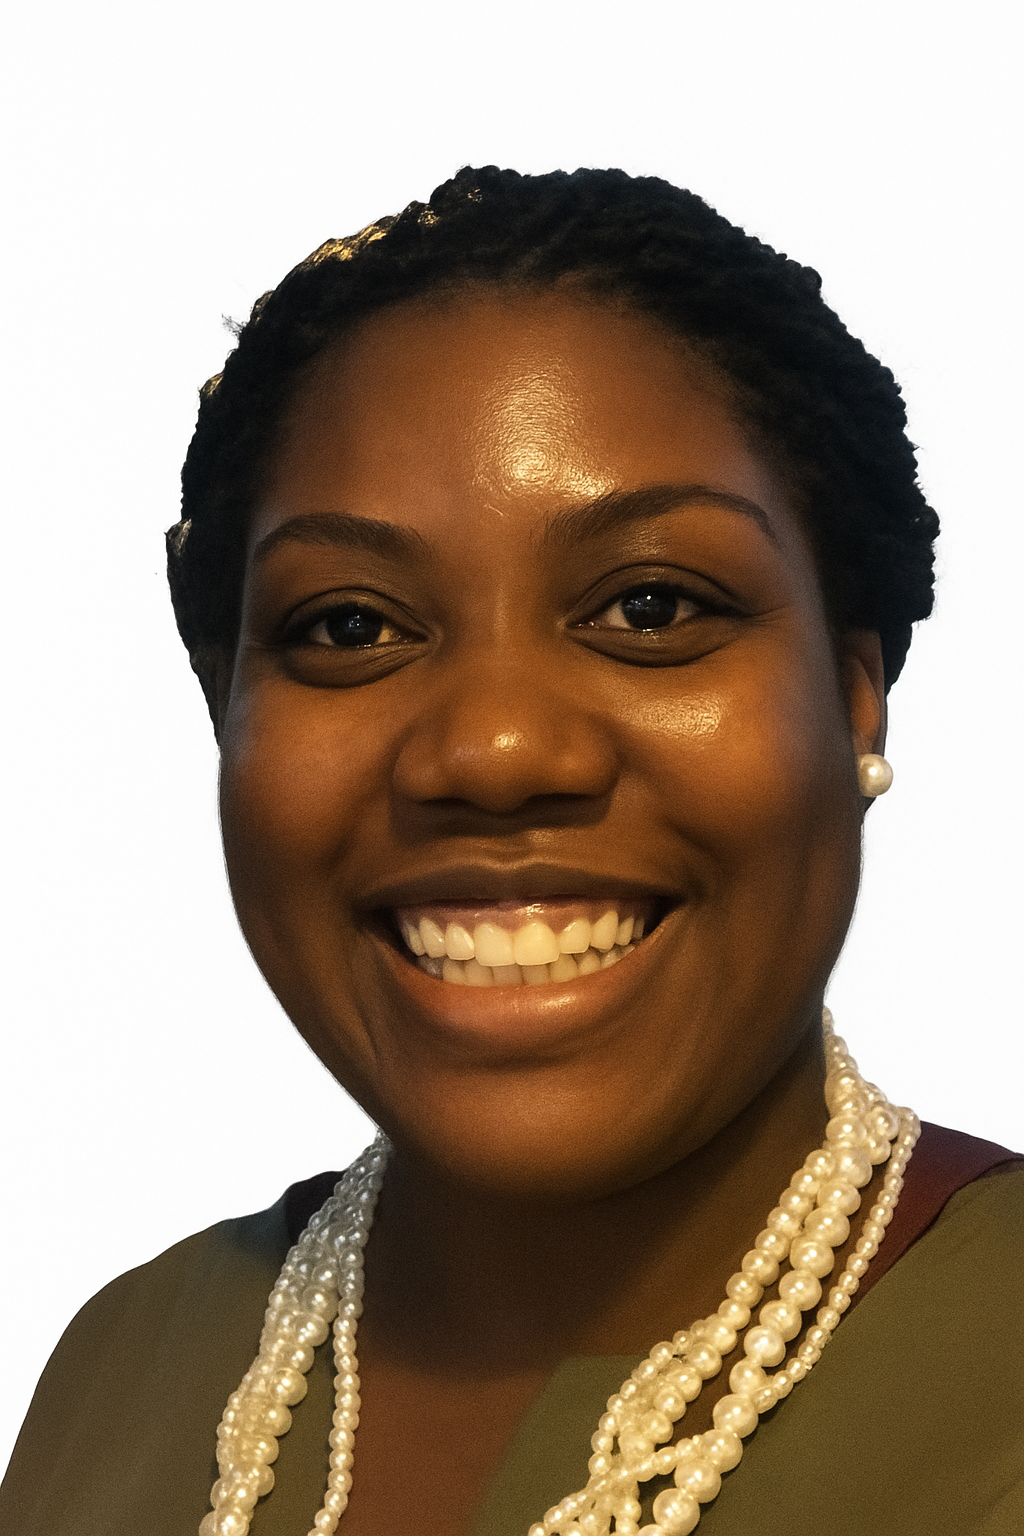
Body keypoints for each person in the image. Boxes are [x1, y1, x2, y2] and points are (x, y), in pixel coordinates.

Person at [2, 166, 1021, 1536]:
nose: (491, 752)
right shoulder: (126, 1368)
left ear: (854, 701)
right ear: (224, 709)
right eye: (351, 628)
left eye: (651, 605)